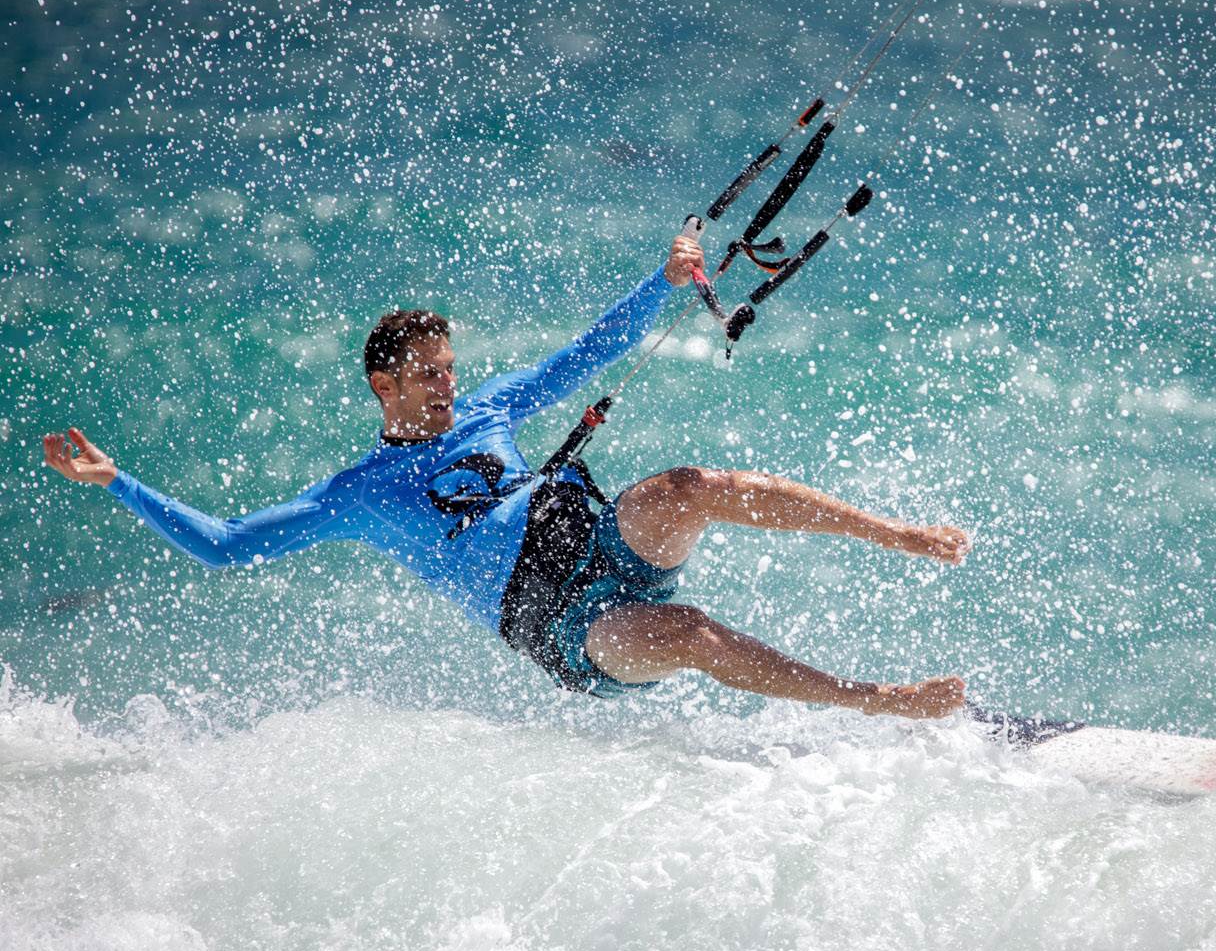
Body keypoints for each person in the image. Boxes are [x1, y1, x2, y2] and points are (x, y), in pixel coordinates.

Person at [42, 236, 969, 718]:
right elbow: (225, 546)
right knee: (683, 629)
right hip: (567, 625)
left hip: (605, 540)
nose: (448, 386)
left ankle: (900, 534)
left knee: (685, 484)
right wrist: (120, 481)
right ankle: (877, 699)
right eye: (428, 375)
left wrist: (663, 281)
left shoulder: (487, 409)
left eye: (450, 369)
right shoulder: (360, 494)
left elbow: (588, 353)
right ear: (384, 386)